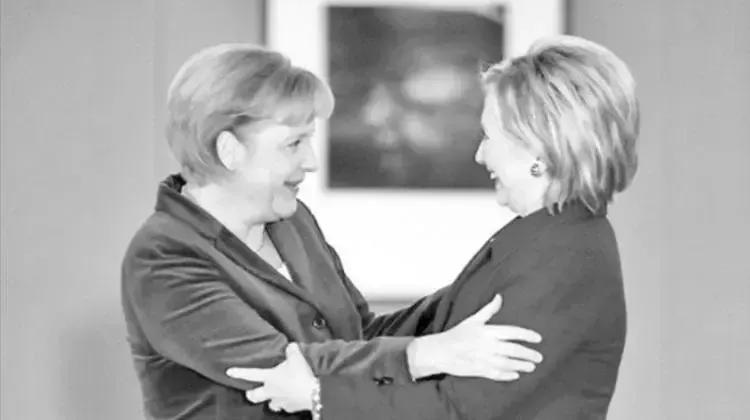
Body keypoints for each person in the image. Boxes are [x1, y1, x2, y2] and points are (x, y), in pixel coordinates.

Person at [120, 44, 545, 420]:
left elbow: (359, 337)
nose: (311, 162)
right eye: (293, 144)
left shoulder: (293, 221)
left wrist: (470, 291)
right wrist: (427, 354)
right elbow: (283, 370)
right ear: (229, 150)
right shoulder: (163, 257)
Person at [228, 35, 639, 419]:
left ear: (538, 149)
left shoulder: (561, 257)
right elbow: (428, 328)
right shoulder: (546, 240)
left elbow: (462, 409)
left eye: (488, 136)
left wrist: (319, 396)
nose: (480, 155)